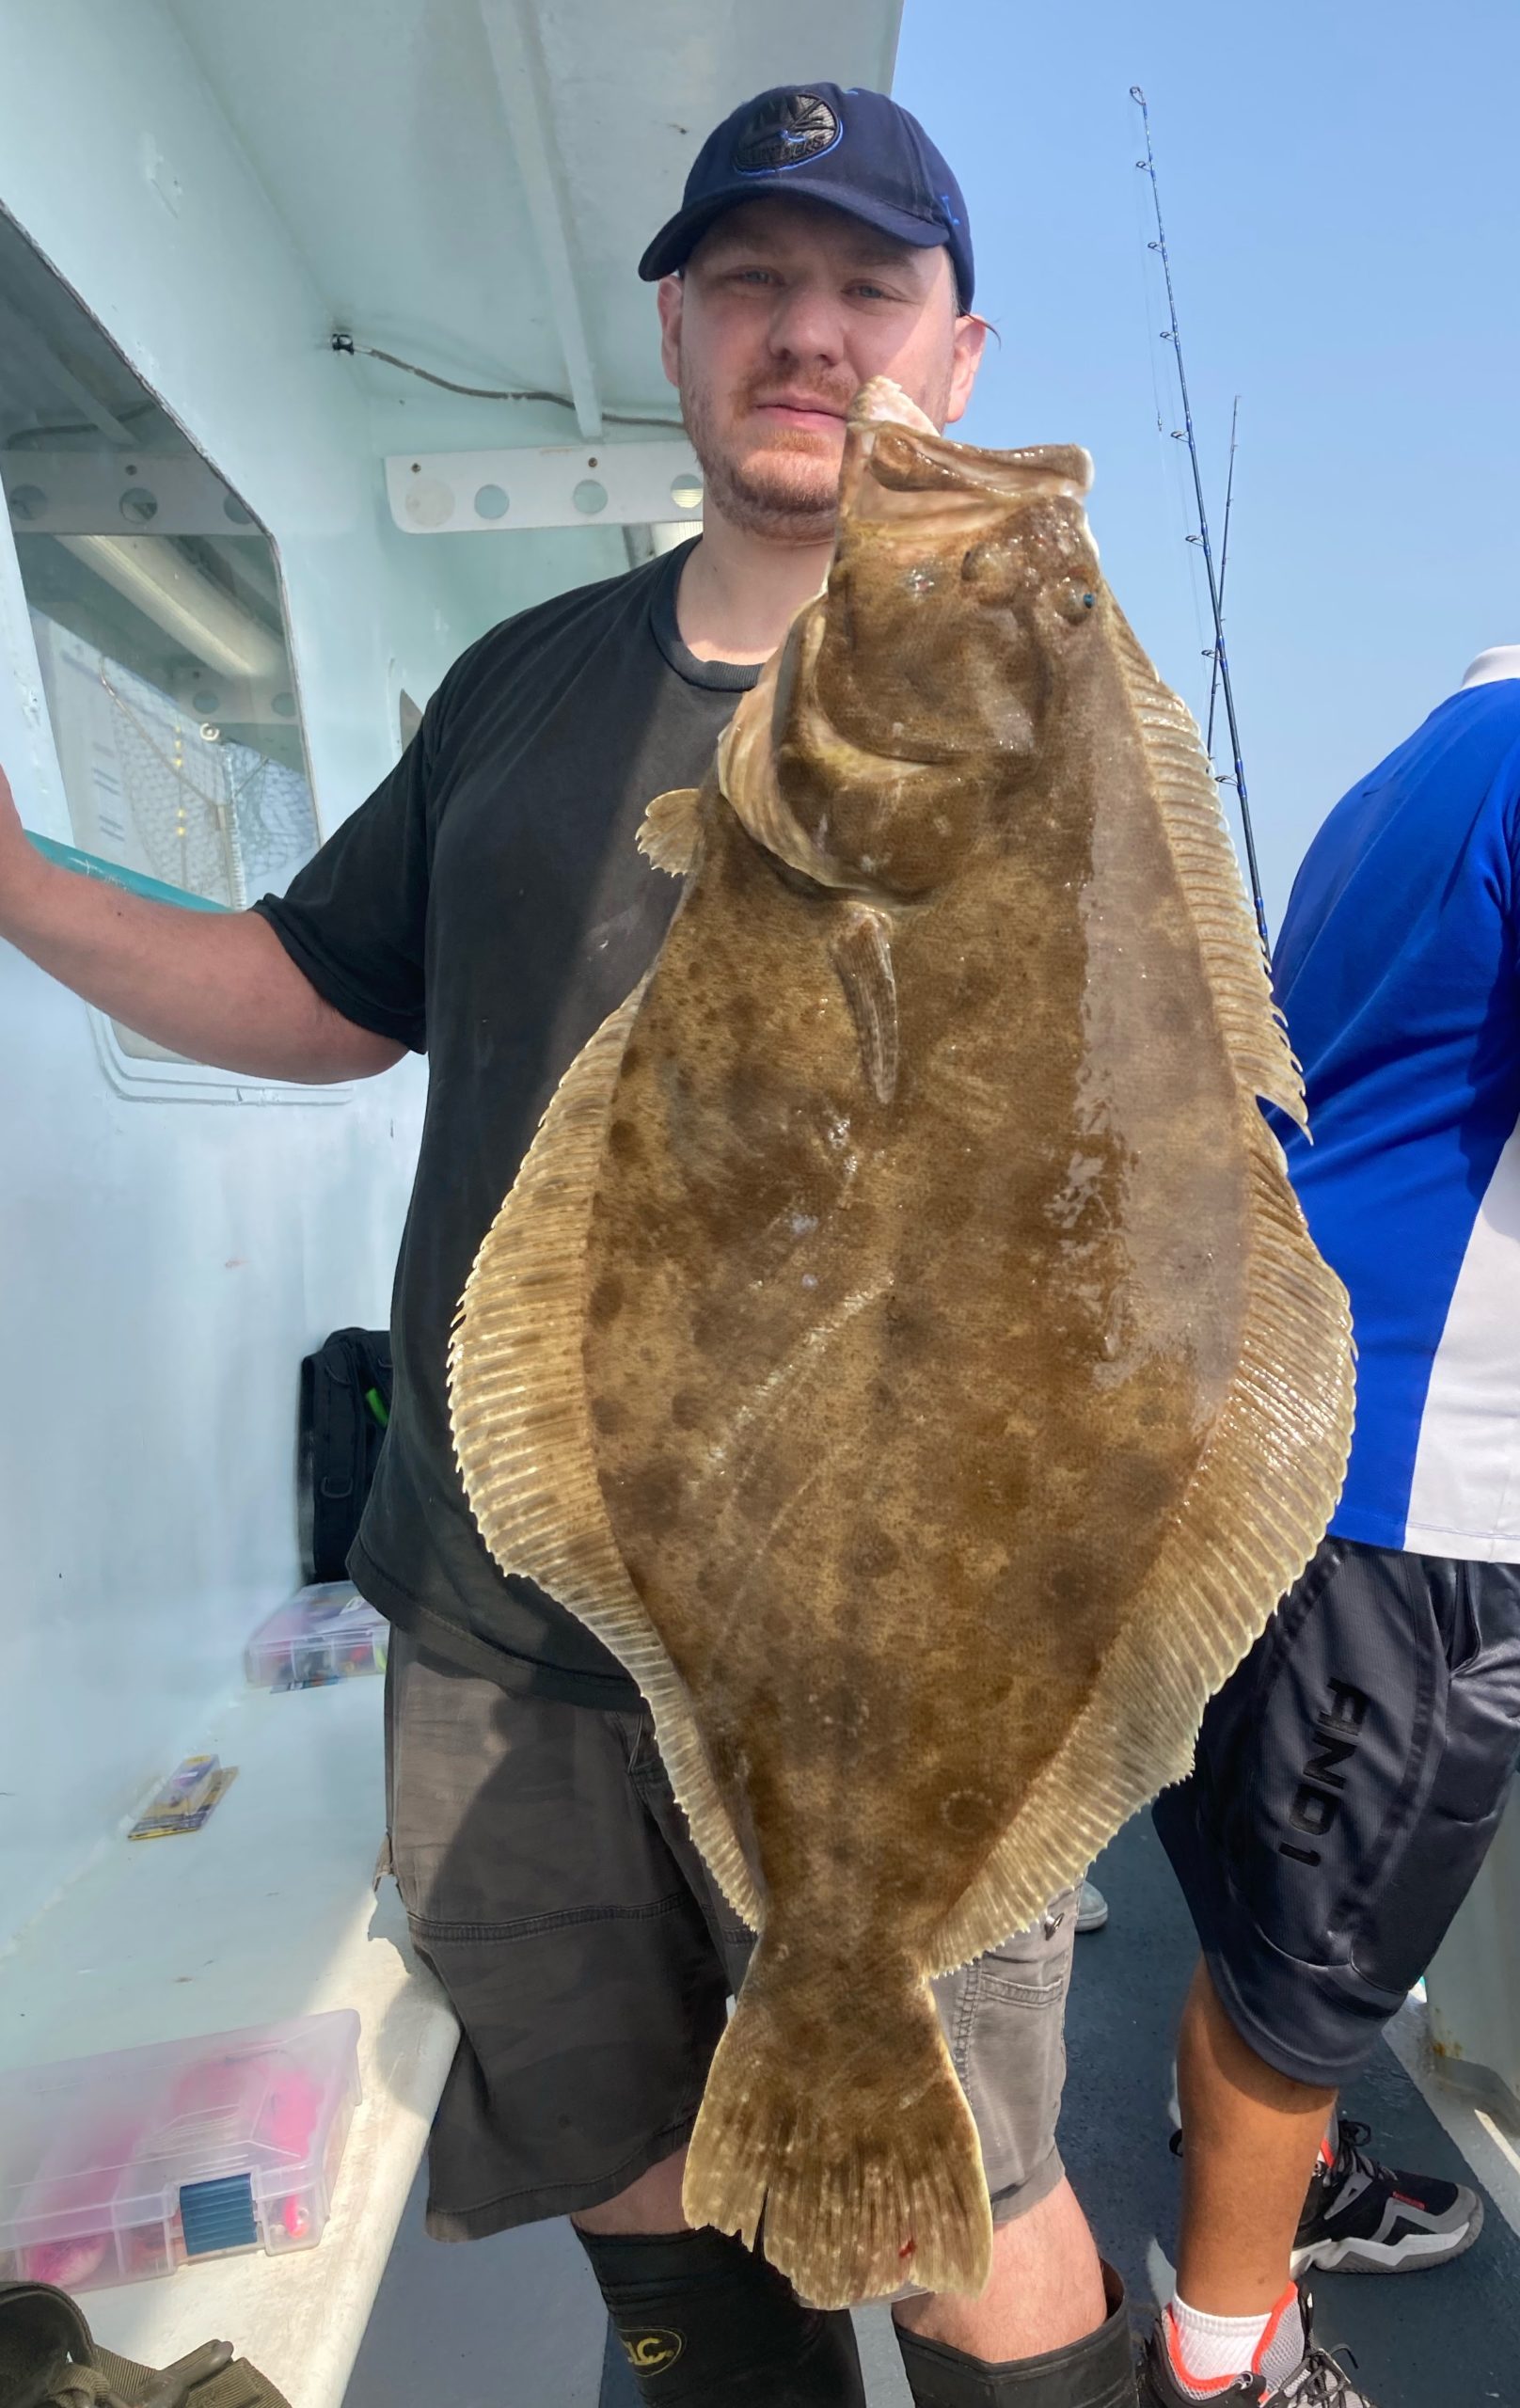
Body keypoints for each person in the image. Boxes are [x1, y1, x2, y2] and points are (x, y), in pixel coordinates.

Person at [0, 85, 1139, 2408]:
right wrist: (22, 880)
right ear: (676, 326)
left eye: (867, 292)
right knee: (624, 2152)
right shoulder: (521, 683)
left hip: (897, 1647)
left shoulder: (1041, 702)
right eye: (754, 285)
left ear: (960, 349)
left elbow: (1139, 1169)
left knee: (968, 2192)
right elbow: (326, 997)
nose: (806, 336)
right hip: (509, 1624)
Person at [1142, 648, 1520, 2406]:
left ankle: (1284, 2181)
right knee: (1303, 1983)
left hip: (1274, 1436)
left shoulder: (1403, 774)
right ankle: (1228, 2369)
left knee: (1254, 1911)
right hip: (1420, 1494)